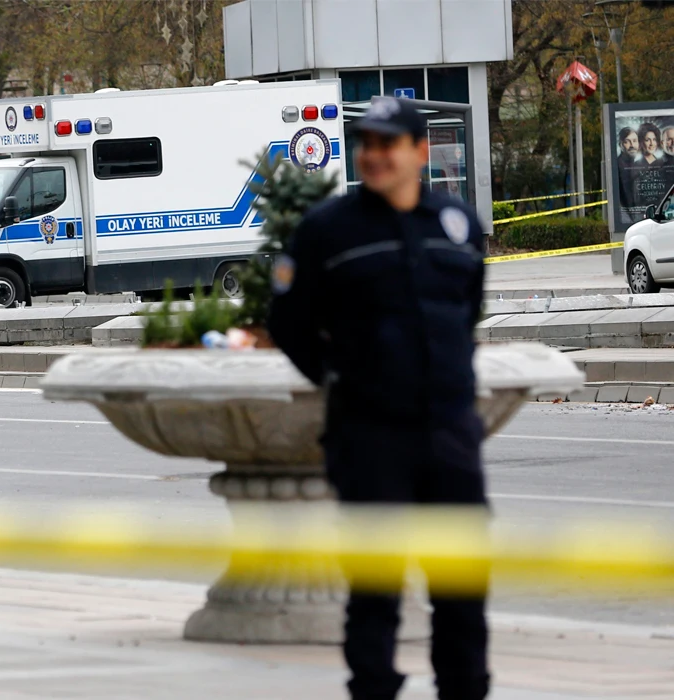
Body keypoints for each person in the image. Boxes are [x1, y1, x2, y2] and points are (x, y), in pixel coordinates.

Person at [269, 96, 489, 700]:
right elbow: (288, 322)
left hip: (448, 435)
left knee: (462, 589)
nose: (373, 156)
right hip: (369, 436)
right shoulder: (327, 231)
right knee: (375, 592)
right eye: (366, 144)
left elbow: (466, 311)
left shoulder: (459, 226)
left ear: (420, 151)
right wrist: (341, 378)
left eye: (387, 144)